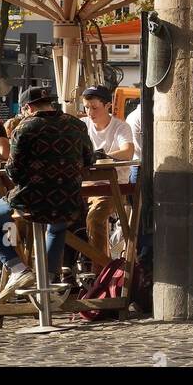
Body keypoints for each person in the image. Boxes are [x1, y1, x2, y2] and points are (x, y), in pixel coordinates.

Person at [0, 85, 94, 301]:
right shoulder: (77, 124)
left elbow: (14, 171)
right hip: (69, 199)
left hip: (32, 200)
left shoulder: (25, 127)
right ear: (51, 102)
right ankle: (47, 282)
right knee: (56, 227)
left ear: (28, 107)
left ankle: (19, 269)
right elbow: (89, 160)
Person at [80, 85, 134, 263]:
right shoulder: (82, 125)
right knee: (60, 216)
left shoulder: (120, 127)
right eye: (86, 107)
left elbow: (128, 152)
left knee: (95, 219)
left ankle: (101, 268)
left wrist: (104, 155)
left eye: (94, 107)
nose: (89, 112)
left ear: (108, 106)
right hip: (83, 187)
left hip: (112, 187)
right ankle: (66, 271)